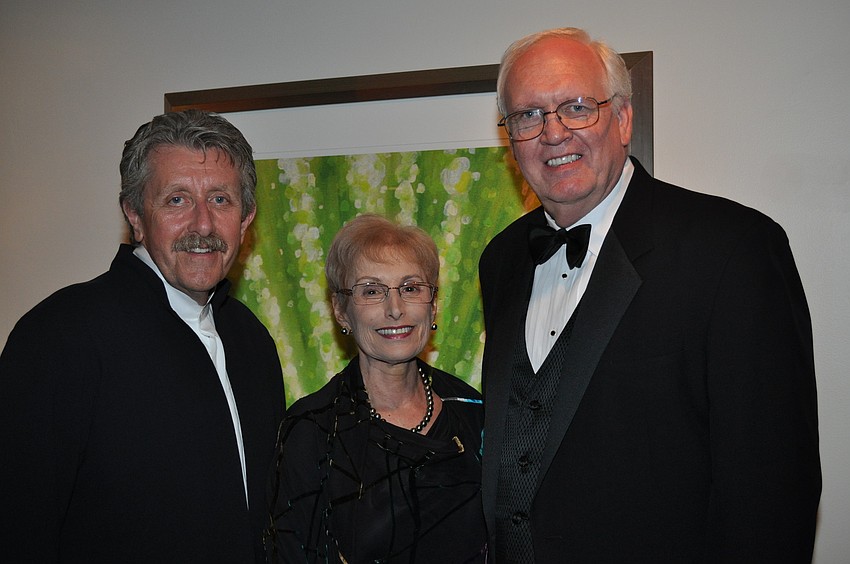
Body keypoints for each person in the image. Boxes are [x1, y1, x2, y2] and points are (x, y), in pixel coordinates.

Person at [478, 27, 821, 563]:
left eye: (576, 106)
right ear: (510, 138)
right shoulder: (500, 260)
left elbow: (775, 489)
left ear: (623, 119)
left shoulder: (733, 248)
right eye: (528, 115)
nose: (553, 132)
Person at [0, 110, 285, 563]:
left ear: (246, 218)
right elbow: (18, 527)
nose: (203, 225)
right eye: (176, 200)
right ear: (135, 214)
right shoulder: (59, 336)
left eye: (220, 199)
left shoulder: (252, 341)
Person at [265, 214, 487, 563]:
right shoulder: (311, 430)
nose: (395, 309)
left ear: (433, 304)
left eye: (411, 288)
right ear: (341, 311)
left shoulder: (474, 411)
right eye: (371, 291)